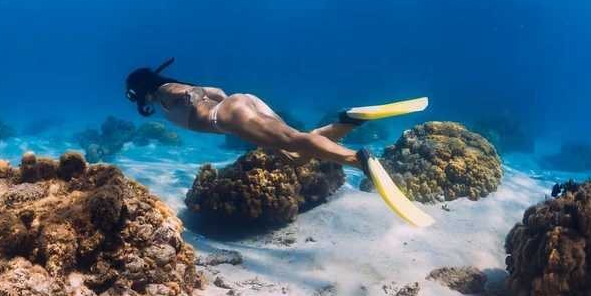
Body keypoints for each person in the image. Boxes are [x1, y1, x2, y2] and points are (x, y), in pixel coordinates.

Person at [124, 59, 435, 227]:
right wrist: (226, 103)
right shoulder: (166, 91)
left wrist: (201, 101)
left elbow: (192, 93)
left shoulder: (164, 92)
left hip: (229, 117)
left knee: (295, 141)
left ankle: (359, 160)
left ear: (142, 89)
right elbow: (217, 90)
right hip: (238, 105)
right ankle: (350, 120)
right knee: (295, 155)